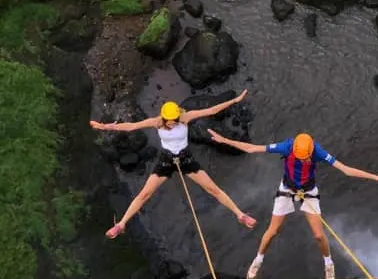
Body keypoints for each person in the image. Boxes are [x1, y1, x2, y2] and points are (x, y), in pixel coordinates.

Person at [207, 130, 378, 279]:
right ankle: (258, 259)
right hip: (287, 190)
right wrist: (224, 140)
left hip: (308, 192)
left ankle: (328, 263)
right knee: (272, 232)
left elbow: (345, 169)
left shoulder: (318, 152)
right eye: (301, 157)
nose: (304, 160)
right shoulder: (287, 147)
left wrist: (376, 177)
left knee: (319, 235)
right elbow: (252, 148)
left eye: (306, 157)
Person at [90, 90, 257, 239]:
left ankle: (240, 215)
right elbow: (132, 126)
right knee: (145, 194)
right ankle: (121, 224)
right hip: (166, 160)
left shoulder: (184, 118)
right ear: (163, 118)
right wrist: (106, 126)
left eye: (174, 119)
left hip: (185, 159)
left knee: (212, 189)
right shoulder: (157, 122)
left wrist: (235, 101)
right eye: (169, 120)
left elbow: (211, 110)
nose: (172, 122)